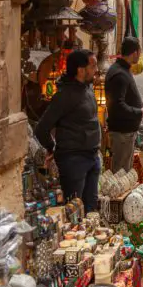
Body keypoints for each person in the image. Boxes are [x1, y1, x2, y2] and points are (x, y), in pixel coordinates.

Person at [33, 49, 102, 212]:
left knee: (91, 209)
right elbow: (41, 128)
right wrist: (52, 147)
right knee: (75, 211)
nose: (96, 70)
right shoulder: (64, 96)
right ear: (80, 70)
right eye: (93, 66)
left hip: (92, 157)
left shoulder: (87, 88)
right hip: (74, 161)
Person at [105, 37, 143, 172]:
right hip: (122, 133)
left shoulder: (123, 69)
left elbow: (123, 101)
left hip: (126, 133)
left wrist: (141, 105)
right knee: (121, 174)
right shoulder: (119, 74)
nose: (139, 56)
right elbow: (117, 107)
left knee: (124, 172)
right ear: (135, 53)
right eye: (139, 53)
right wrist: (141, 112)